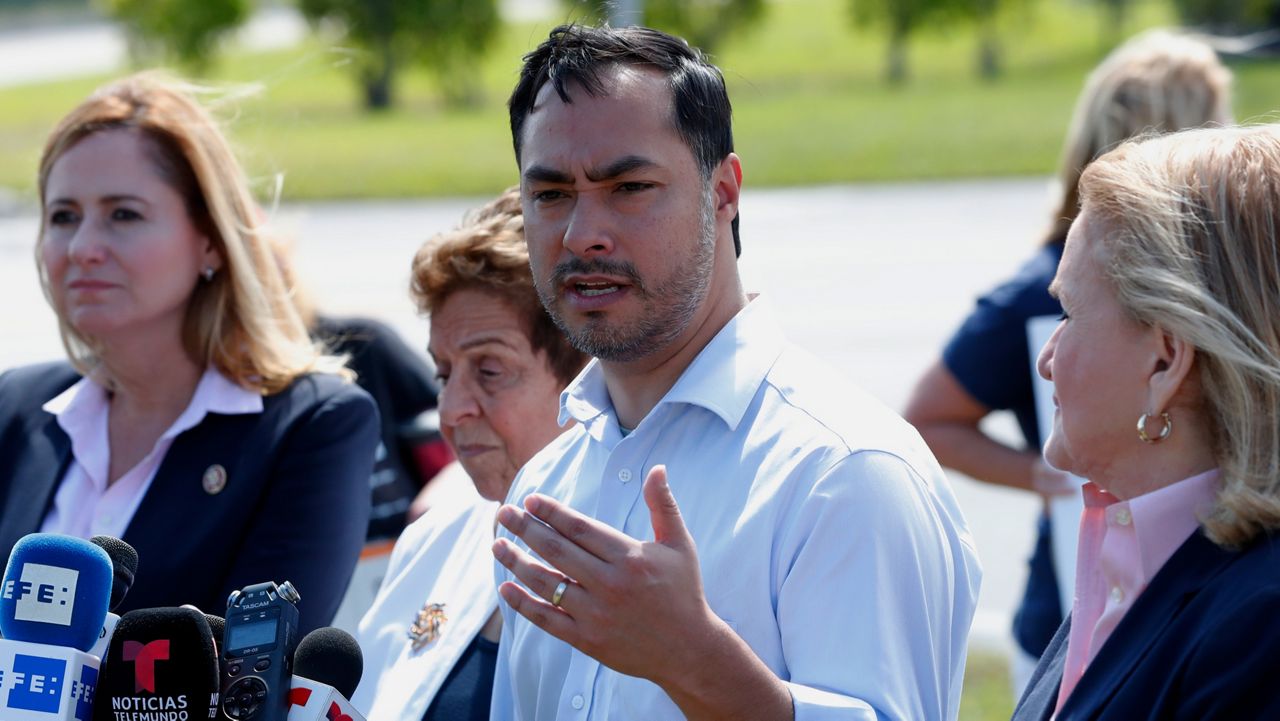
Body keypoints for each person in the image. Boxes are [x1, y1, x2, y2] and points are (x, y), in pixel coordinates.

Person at [489, 24, 980, 720]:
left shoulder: (844, 472)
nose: (582, 233)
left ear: (723, 191)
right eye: (551, 194)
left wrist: (697, 663)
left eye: (628, 186)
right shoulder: (546, 485)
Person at [904, 30, 1231, 686]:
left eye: (1073, 316)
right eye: (1217, 117)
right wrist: (1054, 473)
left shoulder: (1232, 283)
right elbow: (929, 416)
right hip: (1075, 590)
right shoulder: (1046, 286)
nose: (1050, 356)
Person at [0, 72, 377, 634]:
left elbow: (250, 682)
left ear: (210, 240)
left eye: (123, 214)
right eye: (63, 217)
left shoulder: (312, 426)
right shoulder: (16, 405)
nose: (82, 248)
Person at [1011, 124, 1280, 720]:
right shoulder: (1136, 558)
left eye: (1070, 313)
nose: (1046, 358)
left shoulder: (1259, 627)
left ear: (1165, 359)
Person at [351, 187, 588, 721]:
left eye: (489, 370)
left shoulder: (646, 566)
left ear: (588, 378)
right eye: (443, 373)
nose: (451, 410)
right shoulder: (431, 542)